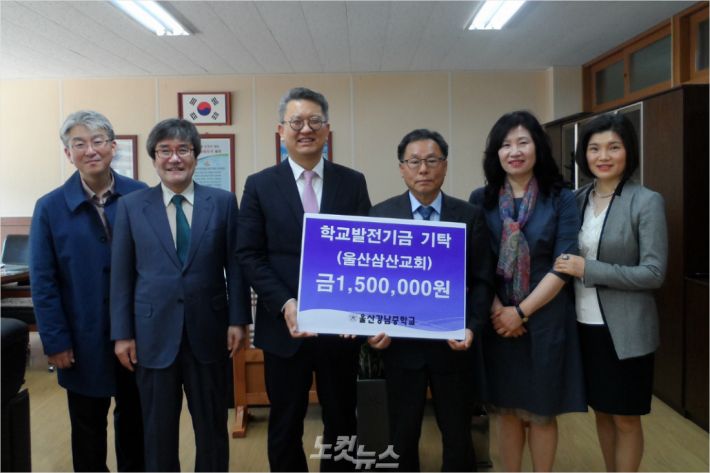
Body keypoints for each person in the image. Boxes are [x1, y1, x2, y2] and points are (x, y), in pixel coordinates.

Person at [237, 87, 371, 472]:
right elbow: (249, 254)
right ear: (281, 130)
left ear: (327, 130)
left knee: (342, 420)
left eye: (314, 121)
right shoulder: (260, 184)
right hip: (284, 328)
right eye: (296, 122)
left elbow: (364, 252)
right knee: (285, 422)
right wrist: (286, 303)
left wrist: (355, 308)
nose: (306, 129)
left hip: (339, 328)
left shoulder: (352, 182)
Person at [110, 118, 251, 471]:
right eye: (165, 151)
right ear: (154, 158)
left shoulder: (222, 202)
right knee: (157, 430)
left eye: (183, 150)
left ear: (195, 156)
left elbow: (235, 266)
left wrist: (238, 320)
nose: (174, 158)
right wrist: (122, 334)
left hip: (210, 332)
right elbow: (122, 275)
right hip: (152, 334)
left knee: (212, 427)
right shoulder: (131, 206)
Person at [367, 129, 495, 471]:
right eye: (414, 161)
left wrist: (472, 327)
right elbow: (369, 284)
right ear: (402, 168)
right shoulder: (381, 216)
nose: (423, 169)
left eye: (431, 160)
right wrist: (372, 328)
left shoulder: (469, 216)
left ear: (445, 165)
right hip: (400, 346)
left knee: (457, 434)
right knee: (402, 434)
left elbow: (482, 281)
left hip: (453, 346)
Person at [468, 110, 586, 472]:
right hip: (498, 320)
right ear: (496, 153)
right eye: (505, 144)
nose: (514, 151)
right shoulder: (482, 198)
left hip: (545, 318)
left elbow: (564, 264)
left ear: (538, 148)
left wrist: (520, 313)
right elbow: (477, 263)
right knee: (505, 411)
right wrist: (499, 311)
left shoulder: (561, 197)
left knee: (541, 413)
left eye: (523, 142)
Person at [30, 110, 146, 472]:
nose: (90, 150)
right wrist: (55, 340)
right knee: (87, 429)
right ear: (68, 154)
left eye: (98, 141)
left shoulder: (141, 195)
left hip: (135, 333)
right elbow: (43, 281)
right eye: (79, 144)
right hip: (80, 337)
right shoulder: (49, 207)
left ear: (113, 147)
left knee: (136, 425)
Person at [553, 113, 667, 472]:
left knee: (626, 418)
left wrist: (589, 269)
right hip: (583, 326)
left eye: (613, 147)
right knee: (602, 412)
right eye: (594, 148)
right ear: (584, 155)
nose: (603, 156)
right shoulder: (576, 200)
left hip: (626, 330)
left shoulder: (646, 201)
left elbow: (653, 273)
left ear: (628, 151)